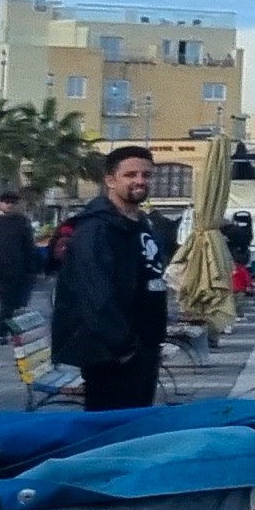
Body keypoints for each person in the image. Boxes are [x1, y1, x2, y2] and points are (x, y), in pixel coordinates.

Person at [50, 146, 174, 411]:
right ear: (110, 180)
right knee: (110, 430)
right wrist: (124, 347)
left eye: (146, 175)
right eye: (130, 174)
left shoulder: (140, 224)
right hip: (111, 354)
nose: (140, 181)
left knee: (135, 427)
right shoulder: (95, 229)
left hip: (143, 348)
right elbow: (95, 295)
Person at [0, 183, 36, 411]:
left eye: (12, 202)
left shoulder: (22, 222)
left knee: (10, 304)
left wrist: (31, 269)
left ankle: (2, 331)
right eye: (5, 201)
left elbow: (29, 247)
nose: (9, 205)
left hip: (14, 269)